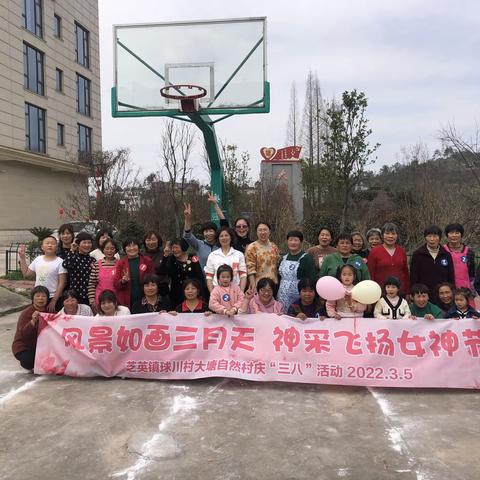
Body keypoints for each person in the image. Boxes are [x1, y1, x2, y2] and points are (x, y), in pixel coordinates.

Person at [18, 236, 67, 312]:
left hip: (52, 297)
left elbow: (62, 283)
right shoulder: (38, 259)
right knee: (36, 320)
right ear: (42, 247)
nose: (50, 245)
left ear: (56, 247)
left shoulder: (60, 262)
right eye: (47, 243)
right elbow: (26, 273)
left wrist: (54, 301)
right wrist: (22, 258)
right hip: (38, 297)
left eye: (53, 243)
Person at [158, 238, 208, 309]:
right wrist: (165, 256)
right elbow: (161, 272)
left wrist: (202, 294)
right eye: (172, 248)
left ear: (183, 247)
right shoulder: (171, 259)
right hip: (176, 294)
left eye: (177, 247)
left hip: (192, 292)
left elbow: (200, 276)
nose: (174, 250)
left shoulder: (193, 258)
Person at [409, 225, 455, 304]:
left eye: (435, 236)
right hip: (423, 295)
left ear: (439, 237)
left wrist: (452, 292)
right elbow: (414, 277)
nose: (432, 239)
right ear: (425, 237)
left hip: (442, 296)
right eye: (429, 236)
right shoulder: (418, 254)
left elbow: (450, 277)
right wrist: (413, 294)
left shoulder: (446, 255)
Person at [12, 286, 49, 371]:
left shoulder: (50, 312)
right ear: (33, 298)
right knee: (28, 360)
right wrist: (32, 322)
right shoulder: (26, 313)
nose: (40, 298)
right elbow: (24, 334)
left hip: (42, 346)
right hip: (25, 346)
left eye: (43, 296)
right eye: (37, 296)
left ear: (47, 299)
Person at [367, 223, 410, 297]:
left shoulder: (401, 251)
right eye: (387, 233)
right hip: (380, 293)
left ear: (397, 236)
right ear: (382, 235)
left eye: (393, 233)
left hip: (400, 293)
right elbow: (370, 274)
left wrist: (408, 292)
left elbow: (406, 273)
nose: (390, 236)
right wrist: (371, 294)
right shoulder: (375, 252)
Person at [277, 230, 316, 309]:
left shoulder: (306, 258)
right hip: (282, 294)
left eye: (296, 240)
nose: (293, 242)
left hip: (298, 296)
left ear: (301, 242)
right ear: (287, 242)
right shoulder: (283, 258)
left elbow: (311, 279)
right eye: (290, 240)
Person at [114, 238, 154, 309]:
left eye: (134, 245)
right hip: (126, 300)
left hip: (145, 298)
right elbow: (116, 284)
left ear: (138, 247)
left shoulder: (147, 261)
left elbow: (154, 280)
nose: (132, 248)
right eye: (129, 246)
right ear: (124, 249)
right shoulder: (121, 263)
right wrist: (123, 281)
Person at [205, 227, 247, 292]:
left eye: (226, 235)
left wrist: (241, 292)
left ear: (231, 237)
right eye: (221, 236)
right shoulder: (212, 255)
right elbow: (209, 277)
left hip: (235, 291)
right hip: (217, 291)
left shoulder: (239, 254)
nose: (224, 238)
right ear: (218, 239)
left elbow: (243, 275)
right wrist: (212, 294)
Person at [443, 223, 476, 304]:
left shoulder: (469, 252)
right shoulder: (442, 251)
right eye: (451, 233)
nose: (454, 235)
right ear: (447, 235)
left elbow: (472, 274)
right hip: (447, 290)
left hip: (465, 289)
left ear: (461, 235)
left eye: (457, 233)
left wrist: (473, 291)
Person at [182, 202, 219, 271]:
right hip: (203, 278)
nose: (208, 234)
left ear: (215, 232)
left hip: (221, 279)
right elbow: (187, 236)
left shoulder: (220, 244)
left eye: (211, 231)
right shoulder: (199, 244)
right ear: (203, 234)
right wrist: (187, 219)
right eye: (206, 231)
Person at [62, 232, 96, 305]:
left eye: (89, 243)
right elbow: (66, 264)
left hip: (90, 295)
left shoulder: (92, 260)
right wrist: (72, 250)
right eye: (84, 242)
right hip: (75, 296)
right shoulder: (73, 257)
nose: (87, 245)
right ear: (78, 244)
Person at [245, 221, 280, 290]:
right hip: (259, 285)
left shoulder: (274, 246)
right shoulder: (252, 247)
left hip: (273, 284)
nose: (263, 232)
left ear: (269, 231)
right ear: (256, 232)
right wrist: (253, 286)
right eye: (260, 230)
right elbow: (250, 269)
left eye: (265, 230)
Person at [88, 238, 119, 314]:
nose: (109, 251)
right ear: (103, 250)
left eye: (112, 248)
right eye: (107, 248)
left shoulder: (120, 264)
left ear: (115, 250)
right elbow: (91, 283)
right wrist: (92, 300)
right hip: (100, 301)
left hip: (116, 301)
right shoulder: (97, 265)